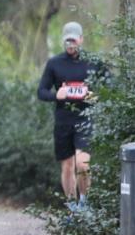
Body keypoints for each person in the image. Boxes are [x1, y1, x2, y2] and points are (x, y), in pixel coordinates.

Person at [37, 21, 98, 210]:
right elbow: (41, 91)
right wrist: (57, 95)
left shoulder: (93, 62)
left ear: (81, 39)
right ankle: (72, 208)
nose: (70, 45)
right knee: (67, 166)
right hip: (63, 121)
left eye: (73, 41)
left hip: (85, 119)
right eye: (67, 41)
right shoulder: (54, 63)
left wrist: (94, 95)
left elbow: (109, 88)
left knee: (83, 164)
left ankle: (84, 204)